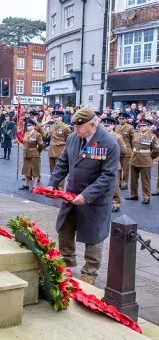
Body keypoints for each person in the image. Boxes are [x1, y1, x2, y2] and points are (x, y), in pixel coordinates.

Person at [48, 107, 119, 285]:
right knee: (64, 228)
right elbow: (63, 162)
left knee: (94, 236)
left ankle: (90, 272)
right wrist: (53, 182)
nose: (76, 130)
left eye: (80, 127)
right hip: (71, 194)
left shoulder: (109, 143)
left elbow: (108, 176)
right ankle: (66, 261)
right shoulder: (73, 138)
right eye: (74, 127)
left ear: (93, 124)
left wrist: (86, 195)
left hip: (94, 198)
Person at [126, 118, 159, 204]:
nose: (142, 127)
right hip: (134, 159)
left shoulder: (152, 136)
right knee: (133, 180)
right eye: (141, 125)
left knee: (145, 181)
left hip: (145, 160)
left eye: (144, 125)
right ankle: (134, 195)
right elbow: (131, 144)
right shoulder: (135, 134)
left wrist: (149, 157)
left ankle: (146, 197)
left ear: (148, 126)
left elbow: (155, 150)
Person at [102, 117, 127, 213]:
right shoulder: (101, 136)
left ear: (113, 126)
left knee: (114, 185)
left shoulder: (117, 137)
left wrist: (116, 157)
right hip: (102, 162)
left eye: (108, 126)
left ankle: (116, 203)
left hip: (114, 164)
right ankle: (104, 202)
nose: (106, 128)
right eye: (104, 126)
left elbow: (124, 151)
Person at [47, 111, 72, 190]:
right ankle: (53, 187)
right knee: (53, 171)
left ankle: (60, 189)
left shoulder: (65, 127)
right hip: (51, 151)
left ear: (61, 117)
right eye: (54, 117)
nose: (55, 119)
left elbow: (70, 139)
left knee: (60, 171)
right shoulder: (51, 127)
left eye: (57, 117)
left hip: (60, 151)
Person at [18, 117, 45, 190]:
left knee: (35, 170)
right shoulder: (26, 133)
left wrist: (37, 151)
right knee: (26, 170)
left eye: (29, 125)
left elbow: (41, 145)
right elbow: (24, 142)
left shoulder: (37, 134)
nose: (28, 127)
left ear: (33, 126)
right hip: (26, 154)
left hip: (34, 154)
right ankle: (26, 185)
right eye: (27, 125)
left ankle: (34, 186)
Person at [115, 112, 134, 190]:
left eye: (123, 119)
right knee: (118, 167)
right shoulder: (116, 127)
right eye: (120, 118)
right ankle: (118, 181)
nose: (121, 120)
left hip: (127, 150)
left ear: (126, 119)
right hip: (118, 149)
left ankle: (124, 182)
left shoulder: (130, 127)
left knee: (125, 168)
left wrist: (133, 150)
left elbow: (132, 140)